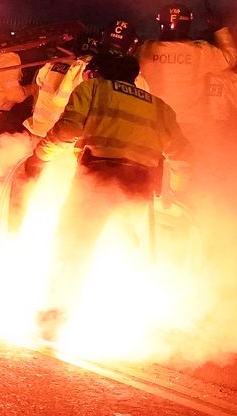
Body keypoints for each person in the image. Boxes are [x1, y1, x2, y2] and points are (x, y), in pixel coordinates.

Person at [24, 54, 190, 340]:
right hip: (140, 183)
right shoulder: (160, 107)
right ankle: (127, 321)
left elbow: (69, 130)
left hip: (100, 174)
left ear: (96, 73)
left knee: (73, 242)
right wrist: (178, 186)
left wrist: (40, 156)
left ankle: (54, 316)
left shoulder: (93, 89)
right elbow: (182, 152)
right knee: (124, 240)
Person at [136, 3, 237, 147]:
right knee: (186, 165)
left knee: (155, 165)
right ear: (188, 23)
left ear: (160, 22)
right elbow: (230, 58)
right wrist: (219, 28)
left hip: (155, 123)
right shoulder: (200, 51)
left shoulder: (146, 50)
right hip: (190, 127)